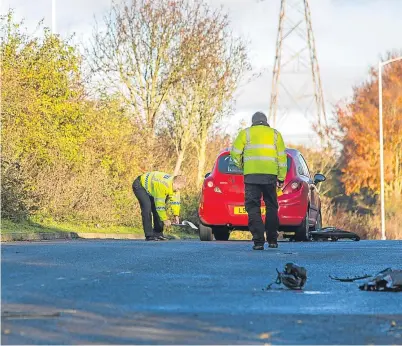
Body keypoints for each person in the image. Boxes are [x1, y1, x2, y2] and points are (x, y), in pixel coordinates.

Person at [230, 112, 287, 250]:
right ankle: (273, 240)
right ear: (266, 121)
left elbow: (234, 153)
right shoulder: (275, 134)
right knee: (272, 207)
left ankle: (258, 242)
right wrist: (281, 177)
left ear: (253, 121)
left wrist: (242, 166)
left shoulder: (246, 133)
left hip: (251, 176)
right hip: (270, 176)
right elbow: (282, 158)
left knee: (253, 207)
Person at [132, 172, 187, 241]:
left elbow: (175, 202)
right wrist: (165, 219)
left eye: (180, 189)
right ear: (174, 183)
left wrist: (176, 215)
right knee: (147, 208)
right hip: (140, 185)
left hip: (151, 189)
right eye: (178, 188)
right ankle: (149, 235)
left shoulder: (175, 188)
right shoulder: (163, 185)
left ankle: (158, 234)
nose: (178, 190)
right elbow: (160, 206)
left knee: (157, 210)